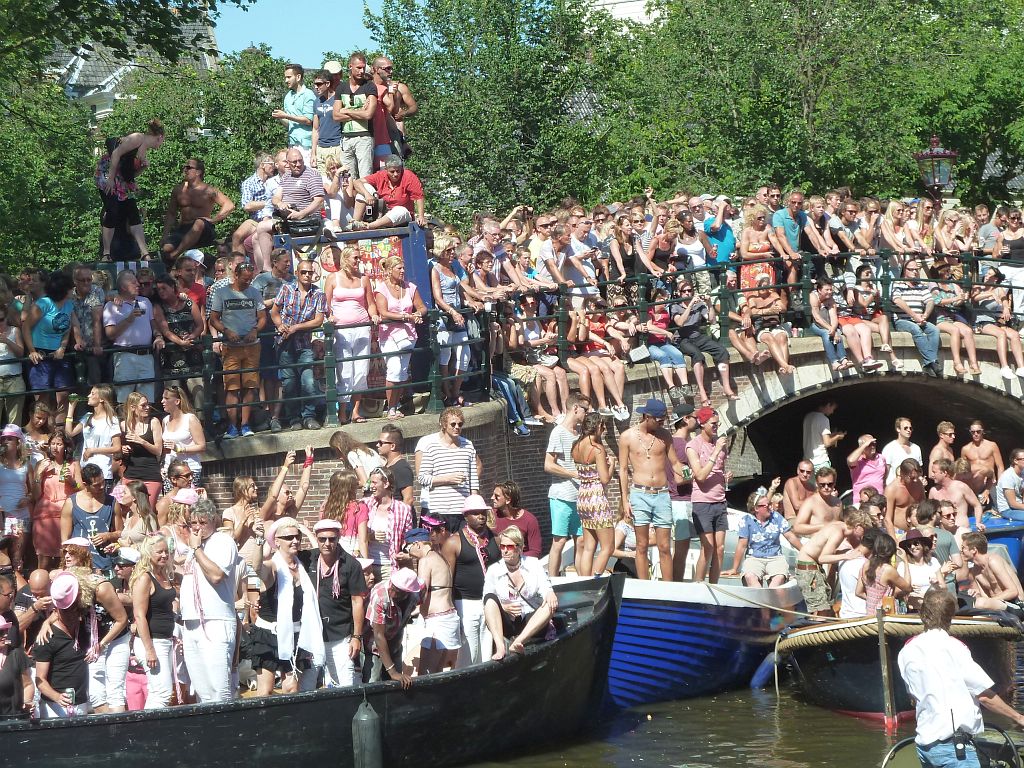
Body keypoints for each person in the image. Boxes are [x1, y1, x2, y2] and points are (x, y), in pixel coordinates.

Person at [898, 587, 1024, 768]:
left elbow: (913, 698)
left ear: (922, 614)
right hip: (953, 749)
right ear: (951, 616)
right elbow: (984, 696)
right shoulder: (955, 648)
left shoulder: (906, 651)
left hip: (925, 746)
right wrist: (1018, 717)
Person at [251, 518, 324, 696]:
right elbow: (258, 567)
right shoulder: (274, 565)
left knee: (291, 688)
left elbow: (321, 550)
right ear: (277, 542)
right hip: (269, 633)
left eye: (297, 536)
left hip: (295, 634)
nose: (295, 540)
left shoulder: (304, 565)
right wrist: (259, 540)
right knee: (266, 690)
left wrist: (307, 532)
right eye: (289, 537)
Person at [179, 498, 240, 704]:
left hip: (216, 622)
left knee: (219, 691)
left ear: (214, 520)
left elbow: (216, 576)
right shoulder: (195, 548)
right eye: (193, 523)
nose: (197, 528)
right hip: (191, 623)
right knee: (202, 692)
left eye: (202, 522)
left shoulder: (223, 542)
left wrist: (196, 550)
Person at [307, 519, 367, 688]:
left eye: (332, 539)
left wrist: (356, 637)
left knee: (345, 685)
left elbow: (357, 602)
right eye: (322, 539)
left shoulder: (351, 564)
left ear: (339, 538)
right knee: (306, 686)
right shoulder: (308, 559)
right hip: (312, 636)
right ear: (317, 539)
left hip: (340, 636)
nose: (327, 543)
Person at [482, 525, 557, 660]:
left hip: (530, 619)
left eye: (509, 547)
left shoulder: (533, 564)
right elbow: (486, 600)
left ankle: (518, 642)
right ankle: (500, 647)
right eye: (502, 546)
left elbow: (545, 586)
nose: (504, 550)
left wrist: (550, 592)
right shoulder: (493, 570)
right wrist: (503, 607)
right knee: (489, 599)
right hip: (507, 621)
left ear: (519, 547)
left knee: (549, 604)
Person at [209, 261, 265, 439]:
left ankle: (246, 424)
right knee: (232, 387)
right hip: (231, 347)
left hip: (251, 345)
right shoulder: (221, 293)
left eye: (250, 279)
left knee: (250, 386)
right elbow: (213, 318)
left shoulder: (254, 292)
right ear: (236, 276)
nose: (248, 282)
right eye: (245, 279)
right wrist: (226, 331)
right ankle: (233, 426)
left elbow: (262, 317)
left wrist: (255, 330)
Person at [442, 494, 499, 668]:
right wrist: (450, 610)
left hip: (490, 601)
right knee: (469, 653)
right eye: (475, 513)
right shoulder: (454, 542)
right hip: (465, 604)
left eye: (483, 513)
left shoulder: (494, 538)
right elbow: (447, 580)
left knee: (488, 651)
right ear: (466, 516)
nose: (481, 516)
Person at [271, 257, 326, 431]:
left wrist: (296, 327)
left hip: (303, 343)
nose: (307, 275)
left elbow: (318, 320)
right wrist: (280, 325)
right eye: (304, 272)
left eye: (310, 272)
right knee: (289, 384)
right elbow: (274, 311)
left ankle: (308, 416)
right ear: (297, 273)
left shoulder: (318, 294)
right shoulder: (286, 289)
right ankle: (294, 418)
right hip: (284, 342)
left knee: (308, 382)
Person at [97, 119, 165, 260]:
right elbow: (116, 154)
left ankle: (144, 252)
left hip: (122, 179)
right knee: (112, 210)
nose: (160, 146)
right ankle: (106, 253)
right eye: (162, 142)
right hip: (109, 173)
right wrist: (110, 179)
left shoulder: (143, 150)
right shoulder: (137, 138)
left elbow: (130, 174)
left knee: (133, 213)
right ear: (159, 137)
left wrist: (143, 168)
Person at [324, 246, 378, 425]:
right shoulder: (333, 278)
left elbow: (370, 303)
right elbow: (326, 305)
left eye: (359, 258)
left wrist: (374, 314)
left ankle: (355, 411)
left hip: (362, 327)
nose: (358, 261)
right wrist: (329, 316)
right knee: (344, 370)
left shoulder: (364, 279)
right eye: (355, 258)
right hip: (342, 330)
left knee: (361, 370)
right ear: (346, 259)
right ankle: (342, 413)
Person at [374, 255, 426, 419]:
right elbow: (383, 312)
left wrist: (417, 314)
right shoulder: (381, 289)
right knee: (394, 369)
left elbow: (422, 307)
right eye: (399, 268)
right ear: (389, 270)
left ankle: (396, 405)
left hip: (408, 334)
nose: (403, 271)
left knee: (402, 372)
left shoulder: (410, 287)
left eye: (404, 268)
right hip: (389, 335)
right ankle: (390, 408)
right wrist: (406, 316)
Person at [33, 572, 92, 718]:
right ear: (57, 610)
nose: (71, 615)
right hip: (55, 708)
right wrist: (57, 697)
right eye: (66, 611)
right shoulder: (47, 638)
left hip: (81, 704)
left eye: (74, 609)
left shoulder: (83, 628)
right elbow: (40, 680)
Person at [129, 534, 176, 709]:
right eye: (159, 552)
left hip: (165, 640)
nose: (164, 555)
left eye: (166, 552)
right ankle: (149, 729)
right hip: (152, 642)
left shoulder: (163, 575)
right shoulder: (145, 578)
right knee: (162, 692)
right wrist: (150, 650)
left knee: (159, 691)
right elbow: (139, 615)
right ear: (149, 553)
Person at [416, 407, 481, 532]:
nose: (457, 427)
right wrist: (448, 479)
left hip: (462, 509)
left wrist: (475, 506)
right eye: (453, 424)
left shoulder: (468, 446)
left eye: (460, 424)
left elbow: (473, 480)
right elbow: (422, 478)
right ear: (444, 425)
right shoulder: (432, 448)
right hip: (439, 509)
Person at [405, 527, 460, 674]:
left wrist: (406, 610)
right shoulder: (440, 557)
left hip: (438, 622)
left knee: (426, 673)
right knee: (439, 671)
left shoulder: (426, 560)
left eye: (407, 547)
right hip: (449, 617)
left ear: (417, 544)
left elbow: (420, 592)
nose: (407, 552)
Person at [684, 406, 729, 583]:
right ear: (702, 424)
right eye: (713, 424)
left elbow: (718, 470)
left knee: (720, 548)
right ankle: (698, 584)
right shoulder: (693, 446)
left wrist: (724, 477)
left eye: (718, 423)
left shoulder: (720, 444)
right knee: (708, 547)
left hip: (720, 501)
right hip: (703, 502)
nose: (717, 427)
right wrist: (716, 451)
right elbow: (700, 476)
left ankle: (714, 585)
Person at [723, 485, 801, 587]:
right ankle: (760, 597)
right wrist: (734, 568)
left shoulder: (776, 517)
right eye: (766, 505)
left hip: (775, 557)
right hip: (754, 557)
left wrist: (804, 550)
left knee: (779, 577)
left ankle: (771, 596)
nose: (770, 507)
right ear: (756, 508)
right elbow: (741, 546)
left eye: (770, 504)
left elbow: (790, 536)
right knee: (750, 576)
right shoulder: (746, 520)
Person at [160, 158, 235, 263]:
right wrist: (164, 235)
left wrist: (214, 220)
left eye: (189, 168)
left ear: (198, 172)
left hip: (204, 229)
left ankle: (175, 255)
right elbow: (171, 214)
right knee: (166, 248)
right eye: (184, 167)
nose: (185, 170)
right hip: (184, 229)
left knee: (199, 223)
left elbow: (229, 205)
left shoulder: (208, 190)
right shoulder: (178, 190)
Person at [24, 271, 78, 413]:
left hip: (59, 354)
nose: (73, 290)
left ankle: (60, 431)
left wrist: (62, 347)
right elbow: (26, 327)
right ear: (64, 290)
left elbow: (67, 327)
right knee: (42, 397)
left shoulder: (69, 304)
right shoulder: (43, 304)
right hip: (40, 353)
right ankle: (45, 431)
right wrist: (32, 351)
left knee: (64, 393)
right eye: (71, 288)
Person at [571, 412, 617, 577]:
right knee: (608, 547)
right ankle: (596, 580)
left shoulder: (576, 446)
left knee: (589, 547)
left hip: (582, 497)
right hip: (596, 498)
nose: (603, 430)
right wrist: (611, 465)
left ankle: (585, 582)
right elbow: (604, 479)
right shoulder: (597, 449)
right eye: (603, 427)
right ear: (598, 426)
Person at [31, 429, 82, 570]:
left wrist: (71, 481)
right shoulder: (41, 464)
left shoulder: (73, 464)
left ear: (66, 446)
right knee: (44, 560)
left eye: (59, 444)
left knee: (65, 558)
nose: (55, 447)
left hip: (66, 515)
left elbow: (82, 489)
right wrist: (38, 476)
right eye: (52, 444)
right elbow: (35, 496)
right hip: (45, 516)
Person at [364, 567, 422, 687]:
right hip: (374, 645)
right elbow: (378, 635)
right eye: (392, 587)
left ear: (408, 592)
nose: (392, 591)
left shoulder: (416, 594)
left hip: (395, 642)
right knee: (373, 684)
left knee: (396, 686)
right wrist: (392, 671)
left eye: (398, 591)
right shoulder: (380, 596)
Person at [60, 465, 121, 573]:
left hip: (105, 564)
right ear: (85, 485)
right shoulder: (71, 503)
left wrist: (108, 535)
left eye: (103, 482)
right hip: (80, 565)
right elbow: (65, 540)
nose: (102, 487)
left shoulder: (112, 502)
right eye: (97, 485)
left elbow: (121, 533)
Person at [67, 384, 122, 494]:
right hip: (86, 469)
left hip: (102, 471)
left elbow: (117, 447)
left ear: (101, 398)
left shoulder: (112, 420)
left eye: (92, 393)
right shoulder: (88, 417)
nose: (88, 396)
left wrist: (93, 450)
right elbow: (70, 432)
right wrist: (71, 408)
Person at [332, 53, 378, 180]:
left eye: (363, 67)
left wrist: (346, 110)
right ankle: (350, 200)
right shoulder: (341, 87)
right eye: (358, 67)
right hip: (346, 138)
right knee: (348, 178)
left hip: (364, 137)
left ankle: (365, 199)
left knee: (365, 177)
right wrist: (359, 112)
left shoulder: (369, 86)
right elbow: (335, 115)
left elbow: (368, 114)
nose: (361, 71)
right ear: (350, 66)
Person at [365, 466, 414, 583]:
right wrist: (370, 537)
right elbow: (354, 535)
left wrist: (407, 554)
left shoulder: (403, 509)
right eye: (370, 482)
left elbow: (408, 538)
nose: (371, 486)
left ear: (386, 484)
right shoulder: (365, 505)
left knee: (387, 600)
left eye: (375, 482)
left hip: (390, 566)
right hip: (368, 566)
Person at [351, 154, 427, 229]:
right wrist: (367, 194)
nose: (396, 174)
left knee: (400, 210)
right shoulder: (380, 175)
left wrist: (421, 216)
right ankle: (355, 223)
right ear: (386, 170)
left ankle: (368, 226)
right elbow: (357, 182)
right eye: (392, 171)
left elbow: (419, 196)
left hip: (402, 216)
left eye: (398, 171)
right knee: (366, 187)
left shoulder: (408, 176)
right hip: (382, 213)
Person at [960, 532, 1024, 616]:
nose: (961, 551)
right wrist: (977, 594)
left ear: (974, 550)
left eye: (963, 548)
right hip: (999, 605)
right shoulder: (975, 570)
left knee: (980, 603)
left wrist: (990, 601)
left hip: (1016, 604)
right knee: (971, 602)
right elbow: (985, 596)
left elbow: (1013, 591)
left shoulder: (993, 561)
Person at [119, 392, 163, 508]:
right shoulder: (124, 425)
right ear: (133, 408)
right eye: (143, 405)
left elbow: (158, 450)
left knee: (146, 510)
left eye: (148, 404)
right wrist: (123, 449)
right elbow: (118, 451)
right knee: (125, 509)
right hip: (130, 474)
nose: (147, 407)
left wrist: (141, 441)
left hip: (150, 474)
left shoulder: (153, 422)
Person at [159, 386, 205, 490]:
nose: (162, 401)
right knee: (171, 505)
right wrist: (162, 465)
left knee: (189, 503)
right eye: (162, 398)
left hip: (188, 471)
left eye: (166, 398)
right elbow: (166, 449)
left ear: (177, 401)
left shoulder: (190, 419)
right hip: (169, 471)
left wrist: (180, 449)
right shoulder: (165, 420)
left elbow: (202, 446)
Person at [856, 532, 913, 614]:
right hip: (885, 616)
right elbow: (908, 587)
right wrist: (905, 561)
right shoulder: (887, 570)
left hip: (870, 615)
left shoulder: (865, 566)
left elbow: (858, 592)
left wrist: (873, 600)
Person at [273, 63, 315, 162]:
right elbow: (289, 123)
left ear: (298, 77)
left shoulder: (308, 95)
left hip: (306, 145)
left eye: (288, 77)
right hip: (292, 143)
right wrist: (280, 117)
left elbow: (308, 120)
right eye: (285, 77)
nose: (286, 80)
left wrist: (286, 115)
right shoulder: (288, 96)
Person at [929, 458, 984, 532]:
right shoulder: (933, 491)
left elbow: (977, 505)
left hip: (962, 531)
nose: (932, 475)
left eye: (934, 472)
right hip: (944, 534)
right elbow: (929, 514)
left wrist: (978, 522)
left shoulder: (960, 487)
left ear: (944, 473)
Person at [490, 482, 542, 558]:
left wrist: (516, 558)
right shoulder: (491, 515)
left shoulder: (529, 520)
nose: (492, 498)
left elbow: (535, 551)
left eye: (496, 496)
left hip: (522, 563)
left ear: (508, 500)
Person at [960, 420, 1004, 508]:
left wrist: (1000, 486)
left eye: (978, 431)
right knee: (974, 510)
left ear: (982, 431)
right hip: (975, 484)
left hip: (991, 482)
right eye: (973, 432)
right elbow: (962, 470)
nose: (975, 434)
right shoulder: (965, 449)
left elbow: (1000, 467)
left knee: (997, 509)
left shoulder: (992, 446)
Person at [899, 529, 943, 611]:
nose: (912, 547)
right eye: (909, 545)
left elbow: (944, 588)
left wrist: (936, 584)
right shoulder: (903, 565)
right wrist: (909, 589)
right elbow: (898, 592)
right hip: (914, 610)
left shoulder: (933, 561)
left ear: (923, 545)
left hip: (934, 608)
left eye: (916, 543)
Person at [0, 612, 32, 720]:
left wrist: (27, 703)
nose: (5, 635)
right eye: (1, 632)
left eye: (6, 631)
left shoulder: (16, 655)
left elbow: (28, 685)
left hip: (13, 720)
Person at [375, 424, 415, 507]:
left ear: (392, 446)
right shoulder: (388, 466)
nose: (377, 445)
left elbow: (408, 499)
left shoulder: (402, 468)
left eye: (381, 443)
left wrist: (400, 518)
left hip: (397, 517)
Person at [885, 458, 926, 537]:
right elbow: (887, 519)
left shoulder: (918, 484)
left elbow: (924, 509)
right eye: (912, 478)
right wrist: (894, 540)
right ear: (902, 474)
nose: (915, 480)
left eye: (917, 477)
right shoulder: (892, 489)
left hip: (916, 531)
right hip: (898, 532)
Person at [802, 400, 843, 470]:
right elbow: (827, 443)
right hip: (820, 461)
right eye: (833, 408)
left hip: (807, 461)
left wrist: (833, 434)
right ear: (828, 404)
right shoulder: (823, 419)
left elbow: (816, 436)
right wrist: (838, 437)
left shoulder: (808, 416)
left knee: (810, 481)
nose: (832, 412)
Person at [881, 416, 923, 485]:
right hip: (895, 487)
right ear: (898, 429)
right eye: (906, 428)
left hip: (912, 487)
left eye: (910, 428)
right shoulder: (889, 448)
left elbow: (919, 470)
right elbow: (885, 472)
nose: (909, 430)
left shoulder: (916, 448)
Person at [847, 434, 887, 500]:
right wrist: (865, 444)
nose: (872, 447)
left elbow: (885, 475)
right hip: (862, 500)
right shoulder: (858, 461)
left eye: (874, 444)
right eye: (869, 445)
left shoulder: (881, 458)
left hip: (878, 500)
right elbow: (850, 461)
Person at [995, 448, 1024, 519]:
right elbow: (1012, 504)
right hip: (1008, 510)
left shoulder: (1022, 473)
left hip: (1019, 506)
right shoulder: (1008, 477)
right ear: (1016, 461)